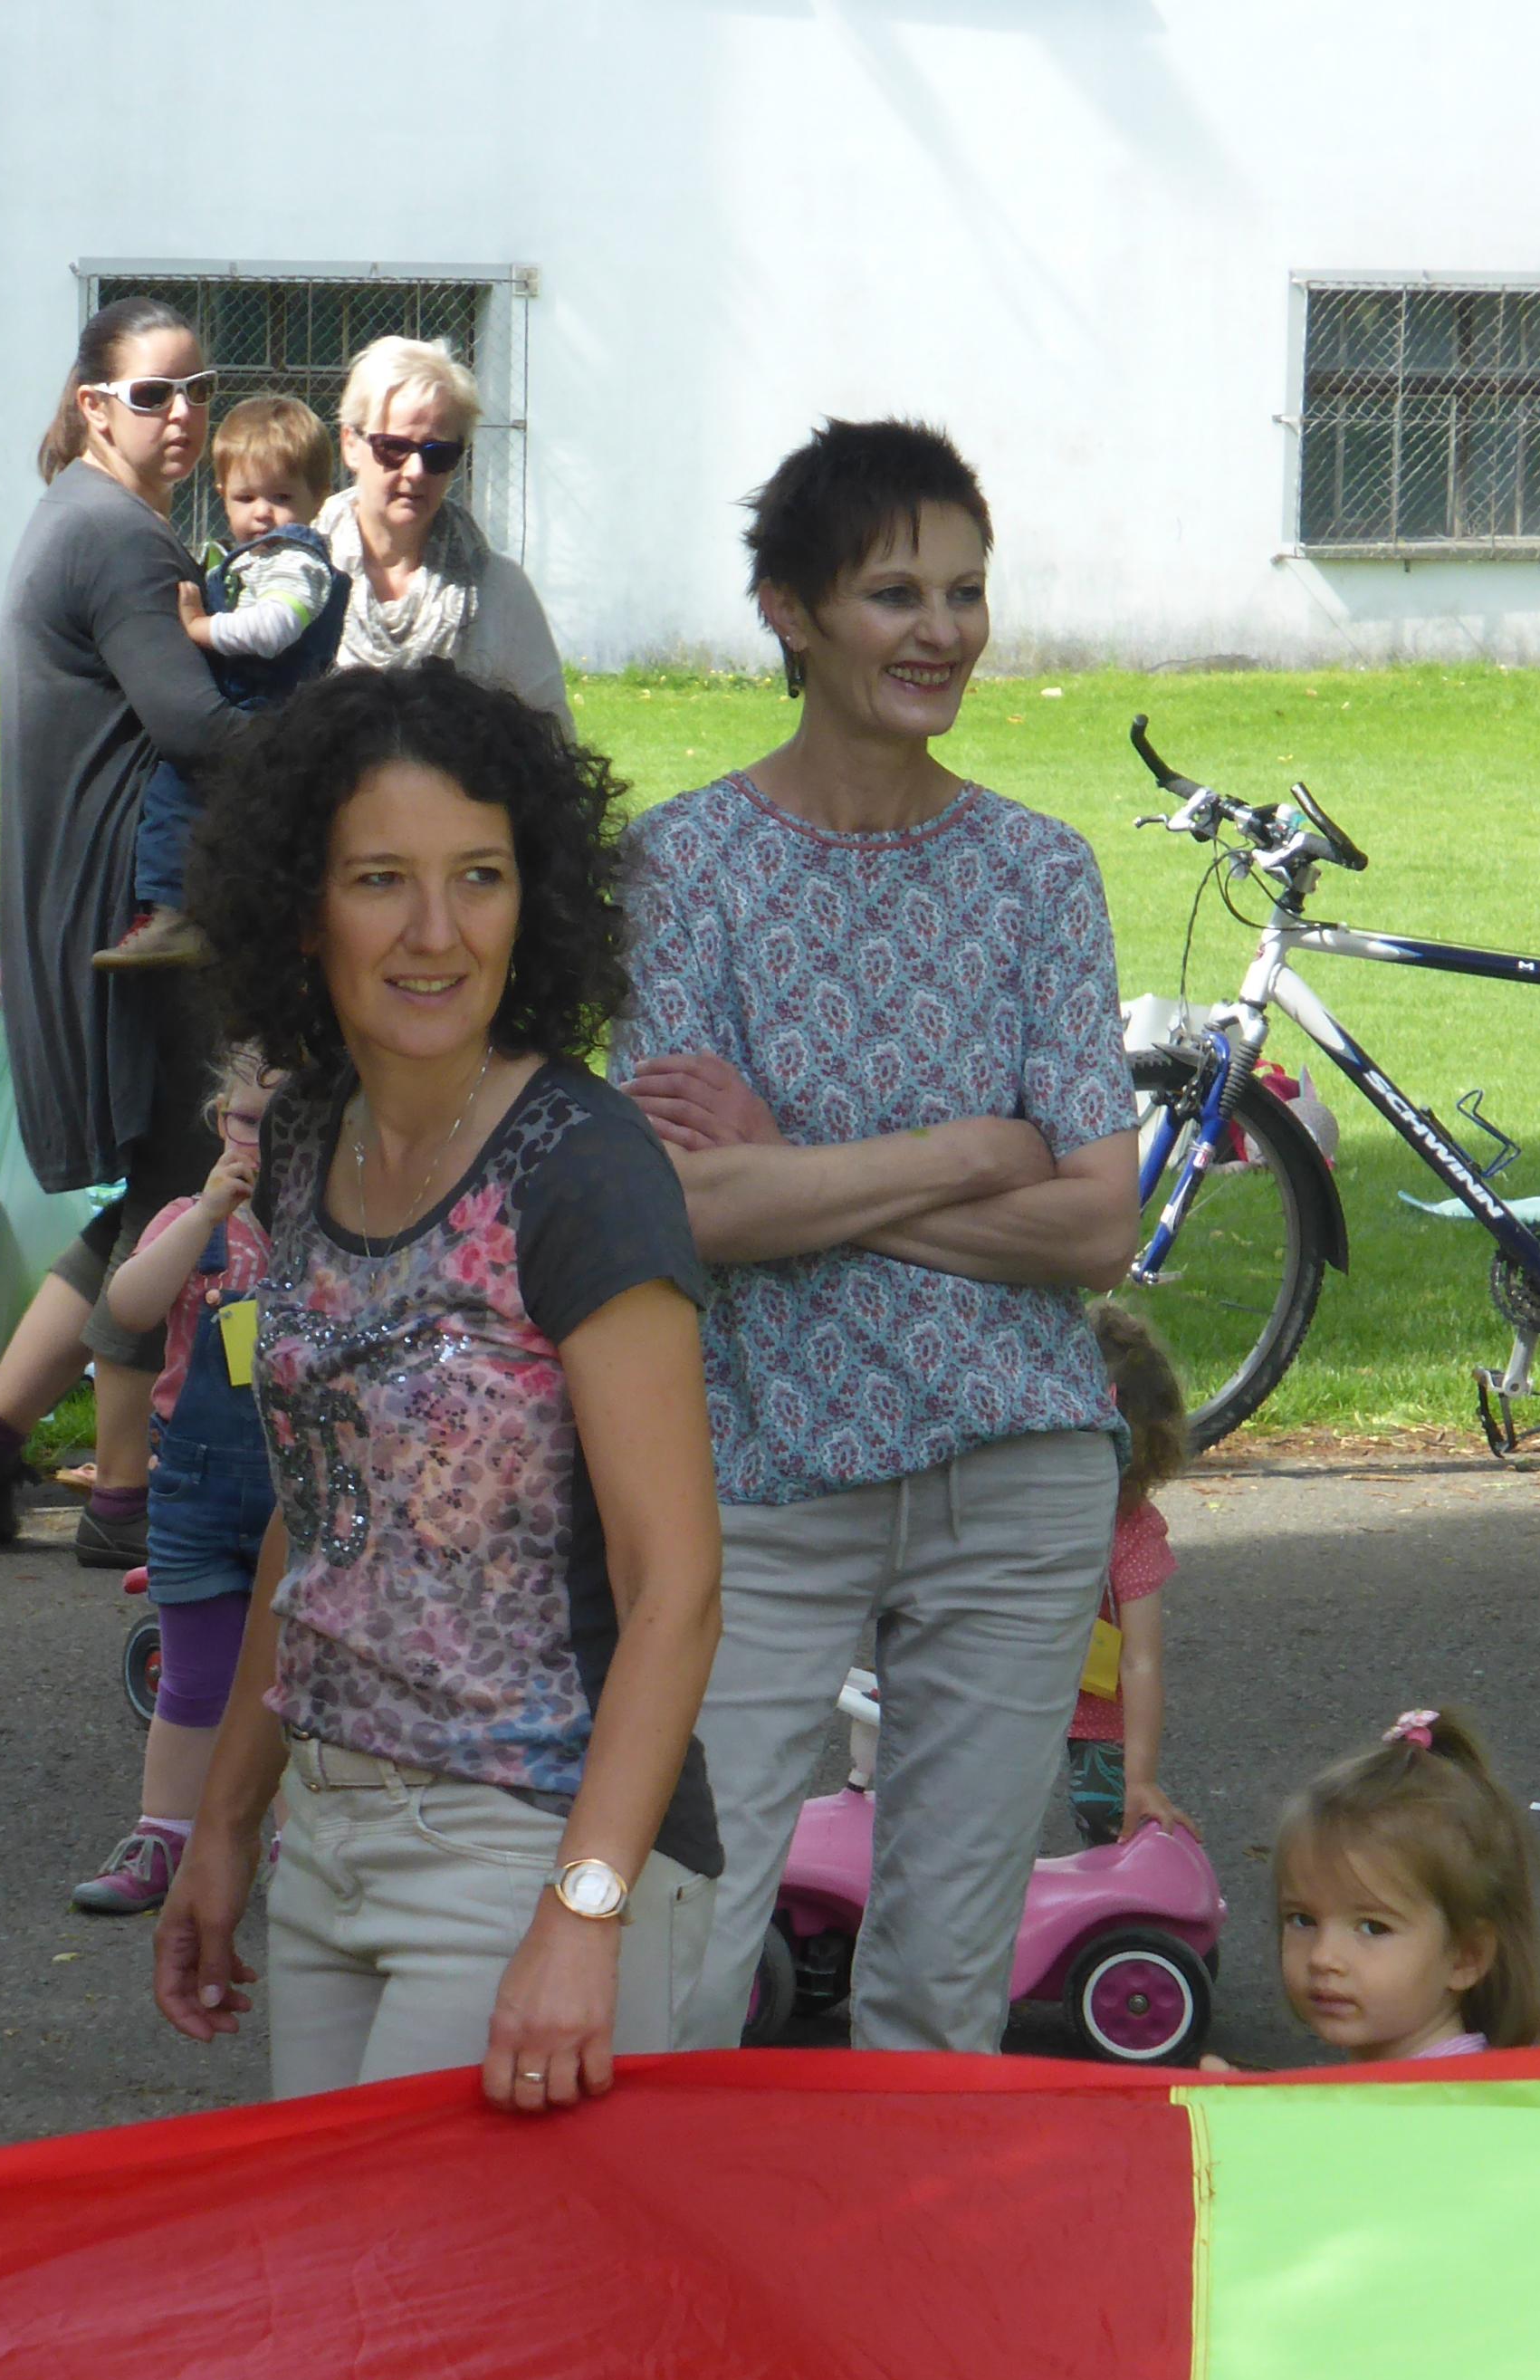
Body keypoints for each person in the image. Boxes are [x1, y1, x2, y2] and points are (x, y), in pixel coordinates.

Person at [619, 418, 1138, 2059]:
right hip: (760, 1482)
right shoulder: (683, 869)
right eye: (895, 593)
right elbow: (691, 1208)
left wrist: (800, 1176)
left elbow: (1100, 1222)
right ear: (787, 610)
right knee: (677, 1964)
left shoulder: (1041, 877)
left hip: (1018, 1479)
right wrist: (976, 1152)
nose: (942, 631)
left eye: (965, 592)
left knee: (940, 1995)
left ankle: (905, 2240)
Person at [152, 664, 722, 2110]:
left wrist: (583, 1911)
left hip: (529, 1848)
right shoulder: (303, 1139)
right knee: (333, 2264)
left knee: (443, 2265)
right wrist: (225, 1822)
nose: (435, 932)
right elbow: (316, 1513)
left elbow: (675, 1589)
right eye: (380, 880)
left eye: (480, 876)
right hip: (328, 1839)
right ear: (303, 907)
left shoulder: (581, 1168)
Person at [0, 299, 251, 1559]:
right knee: (183, 1192)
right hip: (138, 927)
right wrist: (348, 741)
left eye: (197, 391)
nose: (182, 416)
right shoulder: (117, 537)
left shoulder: (77, 513)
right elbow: (194, 725)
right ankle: (121, 1498)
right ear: (93, 407)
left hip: (91, 916)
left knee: (158, 1187)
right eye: (152, 395)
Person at [75, 1051, 279, 1915]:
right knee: (193, 1678)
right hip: (197, 1488)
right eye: (245, 1121)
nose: (259, 1144)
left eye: (283, 1126)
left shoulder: (343, 1231)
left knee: (296, 1679)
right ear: (218, 1120)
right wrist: (204, 1215)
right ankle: (164, 1833)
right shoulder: (190, 1221)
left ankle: (287, 1842)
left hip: (301, 1489)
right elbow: (127, 1307)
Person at [102, 394, 346, 975]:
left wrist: (201, 629)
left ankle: (173, 914)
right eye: (246, 497)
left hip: (265, 710)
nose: (263, 513)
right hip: (253, 710)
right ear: (221, 494)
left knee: (174, 800)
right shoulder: (252, 558)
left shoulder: (297, 562)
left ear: (319, 498)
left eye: (282, 498)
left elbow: (271, 629)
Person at [1257, 1708, 1540, 2063]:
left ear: (1465, 1956)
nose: (1322, 1957)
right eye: (1302, 1920)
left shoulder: (1450, 2090)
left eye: (1373, 1927)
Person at [318, 335, 571, 734]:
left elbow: (552, 739)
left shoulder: (499, 590)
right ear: (351, 444)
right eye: (394, 448)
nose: (416, 472)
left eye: (438, 454)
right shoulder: (299, 572)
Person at [1066, 1300, 1190, 1847]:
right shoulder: (1126, 1525)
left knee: (1110, 1819)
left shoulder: (1128, 1529)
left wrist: (1140, 1779)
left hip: (1080, 1702)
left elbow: (1141, 1659)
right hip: (1019, 1692)